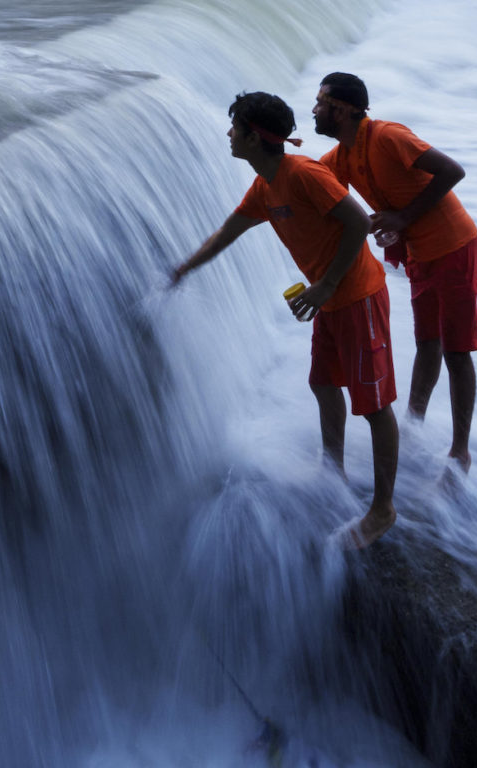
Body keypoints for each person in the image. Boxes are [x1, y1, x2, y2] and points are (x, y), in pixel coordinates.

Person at [171, 92, 401, 547]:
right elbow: (228, 232)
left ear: (256, 138)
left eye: (235, 127)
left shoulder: (303, 174)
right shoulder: (265, 185)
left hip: (355, 295)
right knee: (322, 382)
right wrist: (183, 269)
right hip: (329, 298)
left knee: (374, 406)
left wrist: (327, 286)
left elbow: (357, 223)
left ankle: (382, 510)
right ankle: (332, 469)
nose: (229, 134)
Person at [311, 72, 477, 472]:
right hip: (420, 255)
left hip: (454, 245)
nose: (315, 110)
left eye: (321, 102)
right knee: (427, 343)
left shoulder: (387, 137)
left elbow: (453, 171)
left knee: (456, 351)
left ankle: (460, 451)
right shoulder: (342, 156)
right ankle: (414, 426)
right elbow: (312, 185)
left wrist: (403, 217)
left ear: (346, 109)